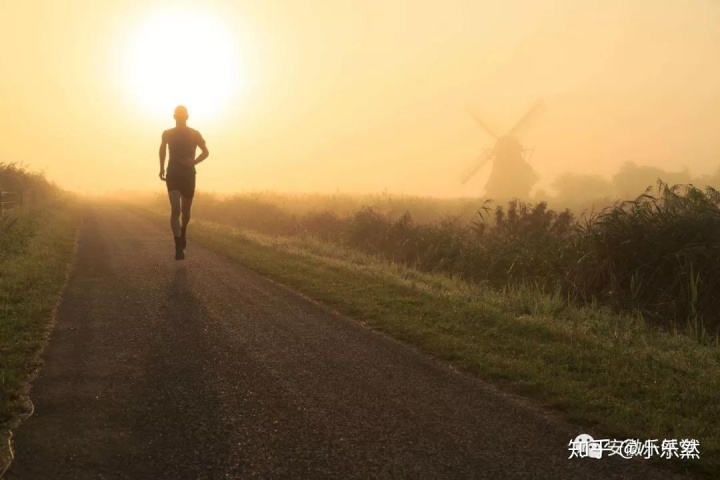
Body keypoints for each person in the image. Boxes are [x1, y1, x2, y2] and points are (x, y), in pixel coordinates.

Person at [159, 105, 209, 260]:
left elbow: (206, 152)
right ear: (174, 117)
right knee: (176, 210)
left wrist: (193, 162)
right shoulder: (167, 133)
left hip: (188, 174)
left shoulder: (194, 134)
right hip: (173, 173)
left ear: (187, 117)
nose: (180, 117)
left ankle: (183, 229)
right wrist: (161, 168)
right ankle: (178, 244)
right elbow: (162, 150)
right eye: (178, 115)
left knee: (186, 212)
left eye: (183, 115)